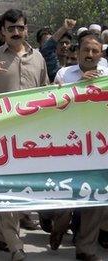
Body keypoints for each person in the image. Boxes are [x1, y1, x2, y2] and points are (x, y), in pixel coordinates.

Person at [0, 9, 49, 261]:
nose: (16, 32)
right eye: (11, 28)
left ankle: (0, 234)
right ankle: (15, 244)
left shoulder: (38, 58)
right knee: (8, 188)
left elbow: (45, 93)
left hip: (30, 136)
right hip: (2, 136)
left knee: (20, 188)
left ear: (26, 29)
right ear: (2, 32)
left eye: (20, 27)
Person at [52, 30, 106, 261]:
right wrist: (77, 89)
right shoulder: (65, 75)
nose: (90, 54)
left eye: (95, 51)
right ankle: (58, 224)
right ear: (78, 51)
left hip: (97, 147)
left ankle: (86, 249)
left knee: (96, 198)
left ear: (101, 53)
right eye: (86, 49)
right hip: (67, 144)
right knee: (63, 198)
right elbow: (51, 104)